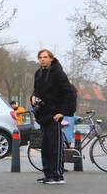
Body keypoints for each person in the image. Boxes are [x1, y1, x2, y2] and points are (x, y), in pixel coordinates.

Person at [31, 49, 77, 184]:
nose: (42, 59)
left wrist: (62, 112)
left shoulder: (58, 73)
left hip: (54, 115)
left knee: (54, 147)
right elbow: (36, 91)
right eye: (40, 57)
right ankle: (48, 174)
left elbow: (69, 93)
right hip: (43, 115)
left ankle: (57, 176)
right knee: (45, 147)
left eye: (45, 57)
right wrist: (32, 97)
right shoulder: (38, 73)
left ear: (51, 58)